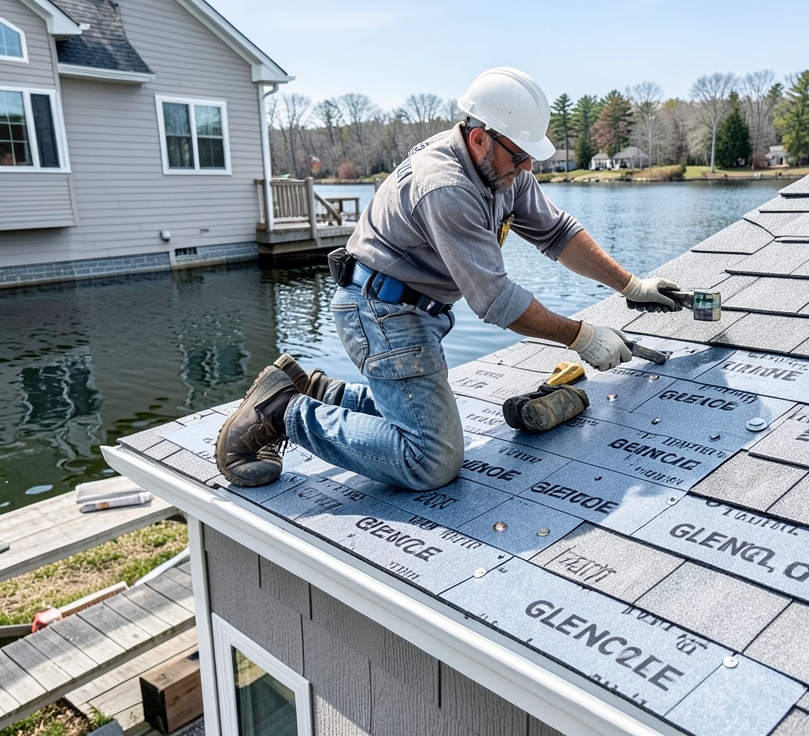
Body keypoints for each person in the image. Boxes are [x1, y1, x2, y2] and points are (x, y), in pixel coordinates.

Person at [216, 67, 681, 490]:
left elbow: (557, 233)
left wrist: (630, 285)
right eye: (521, 156)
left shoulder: (502, 167)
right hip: (380, 311)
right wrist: (582, 337)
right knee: (430, 460)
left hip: (409, 308)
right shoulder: (446, 186)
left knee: (427, 426)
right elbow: (496, 300)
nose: (528, 168)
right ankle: (280, 412)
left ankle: (319, 393)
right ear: (479, 139)